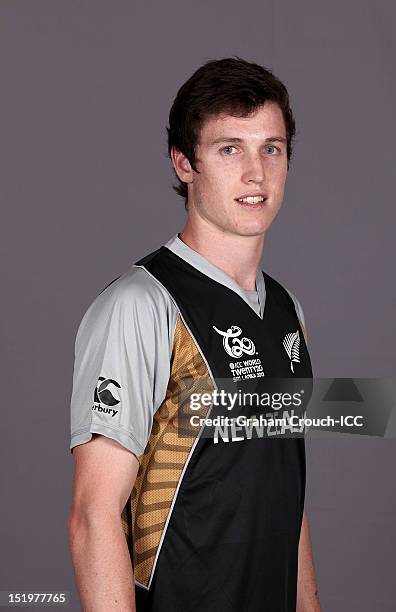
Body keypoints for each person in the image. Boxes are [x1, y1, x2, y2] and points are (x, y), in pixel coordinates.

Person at [68, 56, 321, 612]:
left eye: (271, 148)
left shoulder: (286, 311)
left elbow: (284, 494)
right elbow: (93, 516)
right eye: (229, 149)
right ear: (185, 163)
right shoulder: (142, 305)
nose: (256, 173)